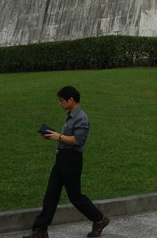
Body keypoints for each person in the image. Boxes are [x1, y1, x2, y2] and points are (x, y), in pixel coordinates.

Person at [23, 86, 110, 238]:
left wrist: (59, 137)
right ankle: (40, 231)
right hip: (61, 159)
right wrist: (53, 136)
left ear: (71, 100)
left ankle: (99, 219)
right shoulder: (71, 115)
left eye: (62, 100)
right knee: (51, 194)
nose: (60, 103)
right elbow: (68, 137)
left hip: (71, 161)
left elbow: (78, 140)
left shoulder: (81, 117)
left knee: (75, 197)